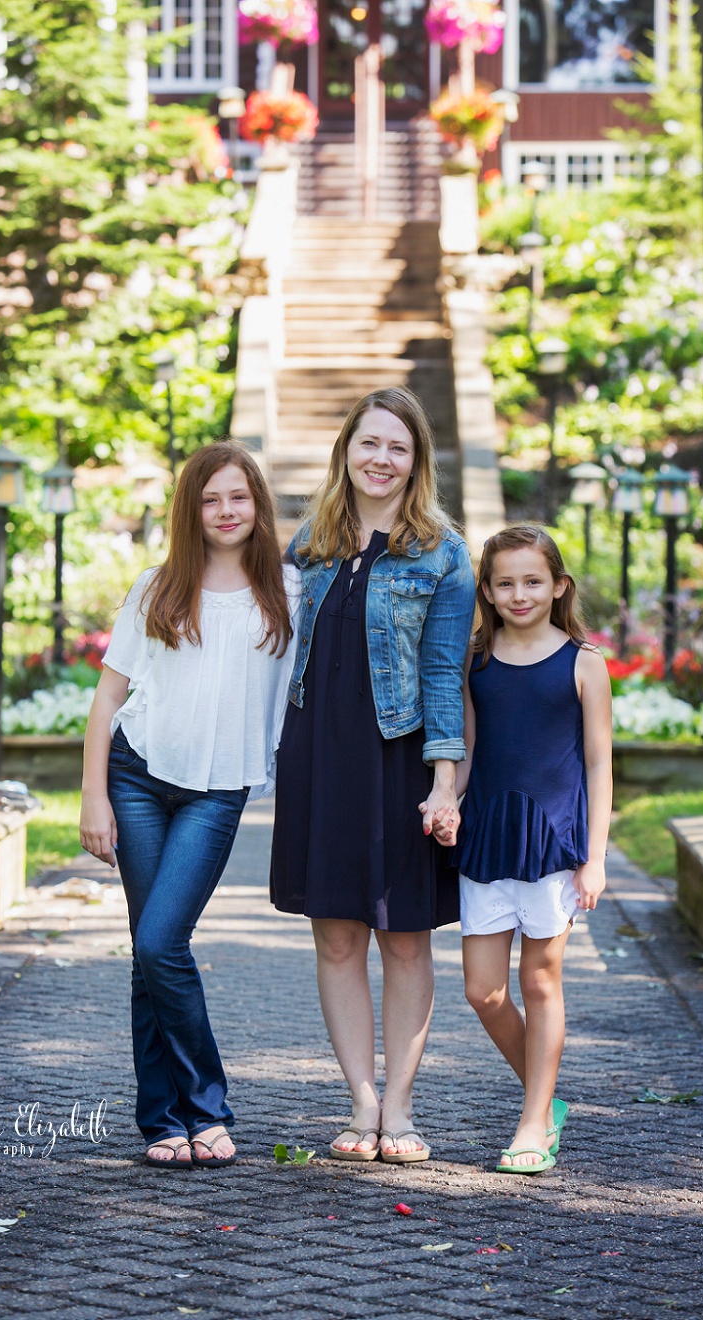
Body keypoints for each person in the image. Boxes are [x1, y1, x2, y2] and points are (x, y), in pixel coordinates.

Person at [270, 386, 476, 1164]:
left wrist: (445, 783)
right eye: (369, 443)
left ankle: (401, 1109)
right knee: (336, 936)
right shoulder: (310, 544)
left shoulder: (444, 553)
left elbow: (444, 676)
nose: (381, 459)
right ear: (346, 451)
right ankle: (359, 1104)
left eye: (398, 447)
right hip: (321, 759)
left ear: (416, 460)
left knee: (406, 941)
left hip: (401, 762)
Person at [80, 441, 299, 1170]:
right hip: (137, 776)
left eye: (238, 497)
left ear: (258, 504)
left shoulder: (290, 595)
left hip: (217, 789)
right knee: (152, 951)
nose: (226, 511)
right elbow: (108, 699)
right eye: (211, 499)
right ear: (191, 510)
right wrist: (92, 799)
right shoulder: (158, 588)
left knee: (157, 944)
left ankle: (199, 1108)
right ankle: (171, 1120)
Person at [441, 524, 612, 1174]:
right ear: (487, 589)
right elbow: (469, 747)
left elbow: (599, 763)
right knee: (483, 991)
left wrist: (594, 856)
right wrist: (447, 800)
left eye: (533, 581)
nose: (520, 593)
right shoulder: (476, 660)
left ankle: (534, 1120)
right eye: (505, 582)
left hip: (553, 843)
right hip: (488, 836)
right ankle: (546, 1096)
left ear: (558, 586)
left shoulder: (582, 661)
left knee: (540, 981)